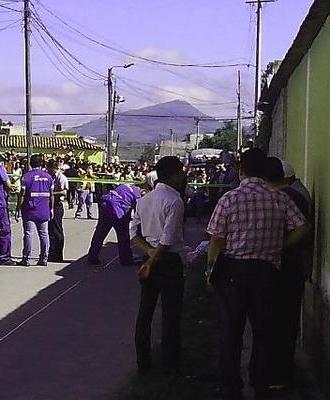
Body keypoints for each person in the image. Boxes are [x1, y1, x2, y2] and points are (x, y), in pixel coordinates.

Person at [207, 149, 308, 400]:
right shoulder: (280, 199)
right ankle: (260, 384)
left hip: (234, 272)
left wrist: (211, 269)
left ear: (241, 171)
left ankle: (231, 386)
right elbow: (303, 227)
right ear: (264, 172)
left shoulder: (229, 199)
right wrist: (280, 245)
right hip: (267, 272)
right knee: (264, 331)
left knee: (231, 331)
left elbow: (217, 238)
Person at [130, 156, 186, 375]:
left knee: (146, 311)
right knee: (171, 314)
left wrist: (148, 254)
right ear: (173, 174)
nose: (184, 175)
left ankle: (143, 360)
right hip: (167, 261)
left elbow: (134, 233)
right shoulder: (174, 200)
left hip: (151, 256)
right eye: (181, 171)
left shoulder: (145, 199)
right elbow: (167, 238)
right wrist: (153, 259)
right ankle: (170, 363)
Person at [263, 158, 312, 390]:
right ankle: (280, 373)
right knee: (284, 322)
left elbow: (299, 229)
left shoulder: (289, 197)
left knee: (280, 323)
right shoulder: (297, 193)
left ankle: (279, 375)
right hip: (291, 268)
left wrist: (276, 246)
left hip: (286, 269)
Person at [88, 183, 141, 266]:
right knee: (123, 235)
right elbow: (138, 211)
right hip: (117, 208)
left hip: (105, 203)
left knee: (100, 233)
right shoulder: (137, 194)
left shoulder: (126, 186)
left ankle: (92, 256)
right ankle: (126, 259)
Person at [15, 154, 54, 266]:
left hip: (30, 209)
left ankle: (26, 258)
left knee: (28, 234)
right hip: (44, 209)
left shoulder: (26, 177)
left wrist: (18, 208)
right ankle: (44, 258)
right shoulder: (48, 177)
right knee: (44, 234)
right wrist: (51, 209)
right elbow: (51, 195)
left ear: (30, 164)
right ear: (41, 164)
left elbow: (22, 195)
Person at [47, 159, 68, 263]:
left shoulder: (61, 177)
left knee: (57, 231)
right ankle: (51, 253)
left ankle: (58, 254)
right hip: (49, 205)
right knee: (50, 231)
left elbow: (64, 192)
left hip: (57, 206)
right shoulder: (50, 177)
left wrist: (52, 194)